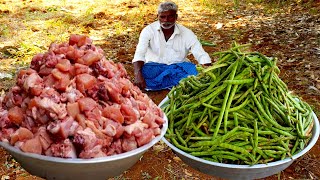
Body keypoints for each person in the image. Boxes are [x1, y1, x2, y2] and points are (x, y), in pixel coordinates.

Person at [132, 1, 212, 91]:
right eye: (162, 17)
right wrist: (138, 74)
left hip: (178, 68)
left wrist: (208, 70)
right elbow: (139, 54)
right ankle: (176, 84)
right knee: (143, 71)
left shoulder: (186, 33)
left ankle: (159, 85)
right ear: (157, 16)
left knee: (195, 72)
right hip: (155, 68)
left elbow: (200, 54)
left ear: (176, 17)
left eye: (170, 16)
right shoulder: (148, 31)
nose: (166, 20)